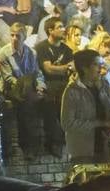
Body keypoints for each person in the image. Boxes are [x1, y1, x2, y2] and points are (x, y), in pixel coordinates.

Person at [61, 48, 110, 163]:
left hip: (107, 148)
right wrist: (99, 123)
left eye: (101, 64)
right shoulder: (72, 91)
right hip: (83, 152)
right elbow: (68, 124)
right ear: (84, 68)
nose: (101, 69)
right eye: (96, 65)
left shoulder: (104, 86)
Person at [0, 22, 47, 156]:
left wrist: (40, 86)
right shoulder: (4, 53)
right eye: (12, 35)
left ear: (24, 37)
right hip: (11, 89)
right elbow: (8, 78)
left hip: (28, 88)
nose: (14, 38)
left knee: (44, 100)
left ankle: (45, 144)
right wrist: (25, 88)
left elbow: (37, 73)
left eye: (18, 36)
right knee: (26, 104)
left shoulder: (32, 52)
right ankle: (28, 146)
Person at [37, 16, 73, 156]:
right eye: (59, 27)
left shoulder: (67, 49)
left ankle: (67, 141)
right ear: (50, 30)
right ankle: (54, 143)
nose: (63, 29)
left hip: (65, 85)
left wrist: (61, 68)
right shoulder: (42, 48)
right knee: (50, 108)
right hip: (48, 84)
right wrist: (65, 67)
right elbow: (48, 69)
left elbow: (73, 68)